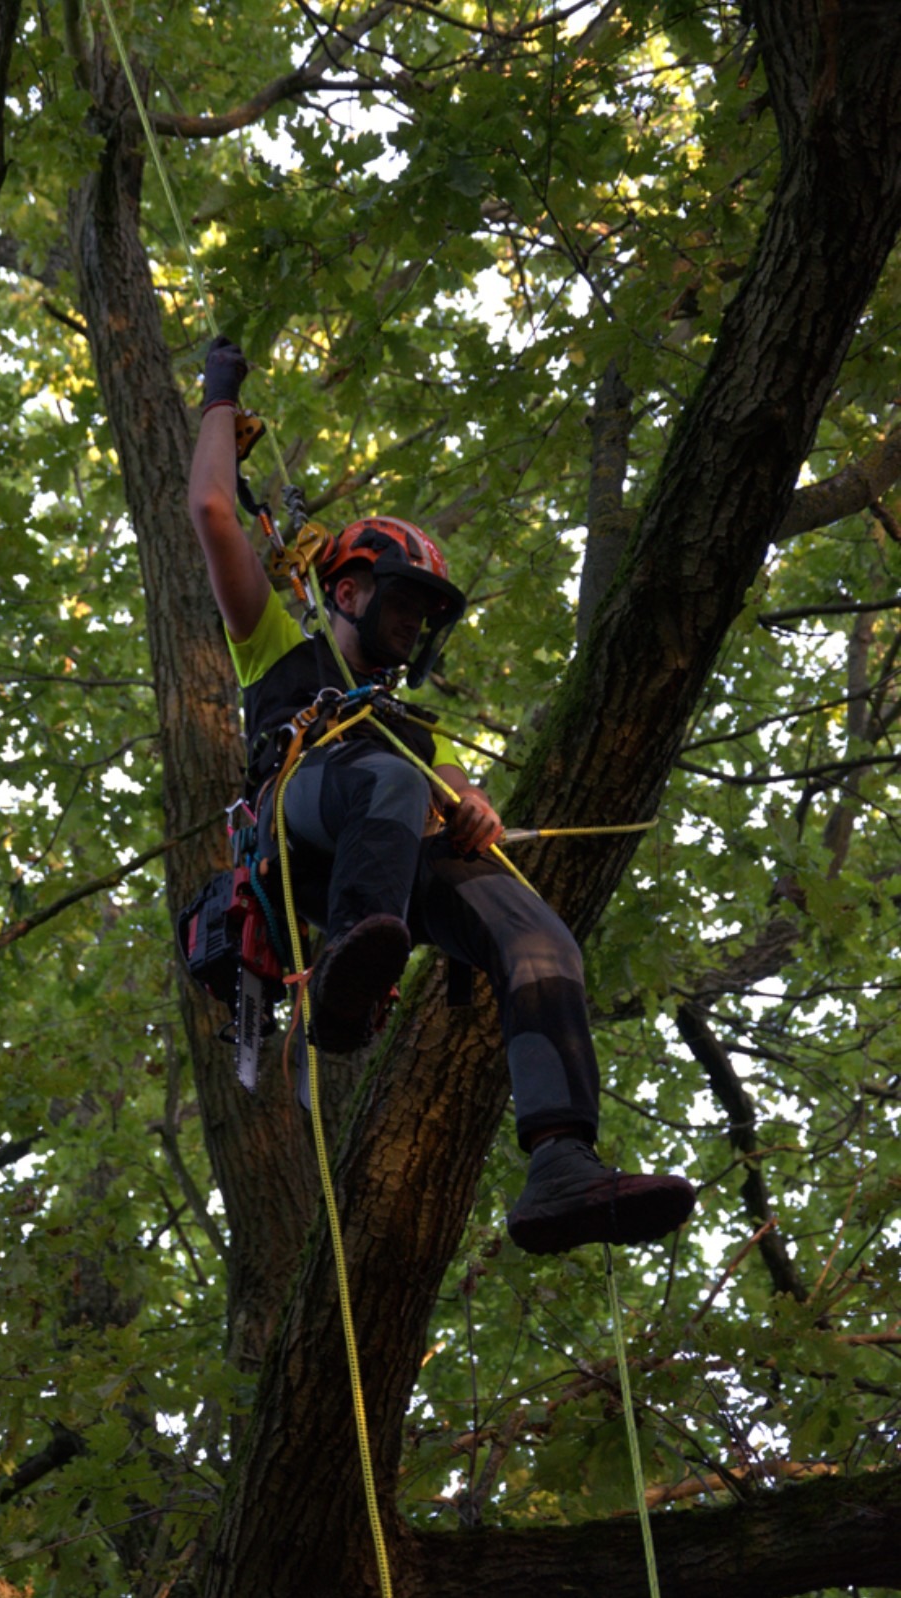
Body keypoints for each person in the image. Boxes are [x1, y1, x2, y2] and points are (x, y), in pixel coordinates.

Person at [188, 337, 695, 1257]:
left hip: (385, 864)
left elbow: (455, 794)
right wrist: (220, 398)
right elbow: (215, 510)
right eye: (406, 600)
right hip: (299, 848)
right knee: (380, 777)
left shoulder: (410, 732)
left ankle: (561, 1161)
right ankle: (349, 963)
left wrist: (475, 811)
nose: (417, 623)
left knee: (536, 933)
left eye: (427, 613)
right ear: (346, 588)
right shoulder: (278, 651)